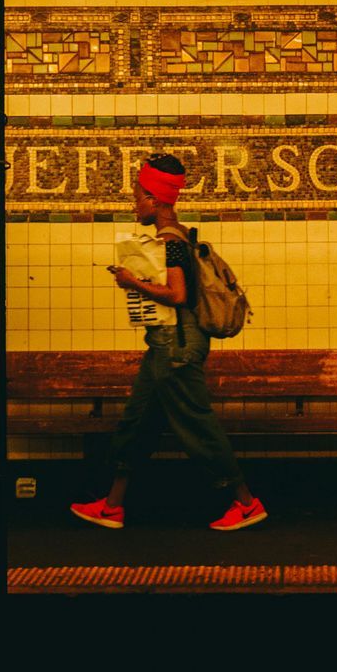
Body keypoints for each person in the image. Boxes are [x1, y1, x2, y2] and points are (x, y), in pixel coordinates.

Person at [69, 154, 266, 532]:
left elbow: (177, 295)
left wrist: (132, 282)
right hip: (164, 345)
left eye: (137, 197)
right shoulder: (172, 238)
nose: (133, 205)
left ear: (155, 200)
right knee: (136, 422)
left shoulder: (171, 240)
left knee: (197, 426)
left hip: (178, 347)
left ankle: (245, 503)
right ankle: (112, 506)